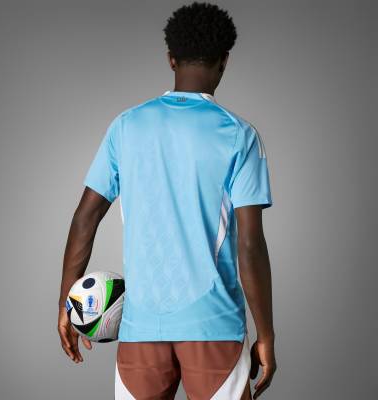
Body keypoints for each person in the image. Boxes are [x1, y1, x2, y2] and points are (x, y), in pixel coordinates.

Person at [57, 2, 277, 399]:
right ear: (224, 61)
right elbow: (249, 244)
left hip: (140, 326)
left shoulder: (126, 126)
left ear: (170, 58)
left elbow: (85, 218)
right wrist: (266, 334)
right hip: (213, 325)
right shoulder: (239, 135)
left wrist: (66, 305)